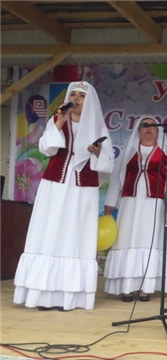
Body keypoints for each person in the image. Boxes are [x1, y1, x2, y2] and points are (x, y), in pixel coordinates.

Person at [13, 81, 114, 311]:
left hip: (82, 189)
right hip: (56, 186)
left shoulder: (98, 128)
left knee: (75, 234)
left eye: (82, 95)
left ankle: (69, 298)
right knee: (50, 231)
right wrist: (59, 123)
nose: (77, 98)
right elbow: (46, 148)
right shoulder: (57, 120)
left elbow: (108, 164)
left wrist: (97, 153)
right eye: (74, 94)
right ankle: (43, 295)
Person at [103, 115, 167, 302]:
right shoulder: (130, 151)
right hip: (130, 204)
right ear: (138, 130)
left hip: (154, 205)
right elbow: (116, 177)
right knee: (126, 240)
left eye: (152, 126)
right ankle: (127, 288)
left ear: (158, 130)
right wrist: (111, 201)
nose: (148, 129)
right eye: (144, 126)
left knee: (150, 241)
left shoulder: (165, 152)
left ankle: (146, 288)